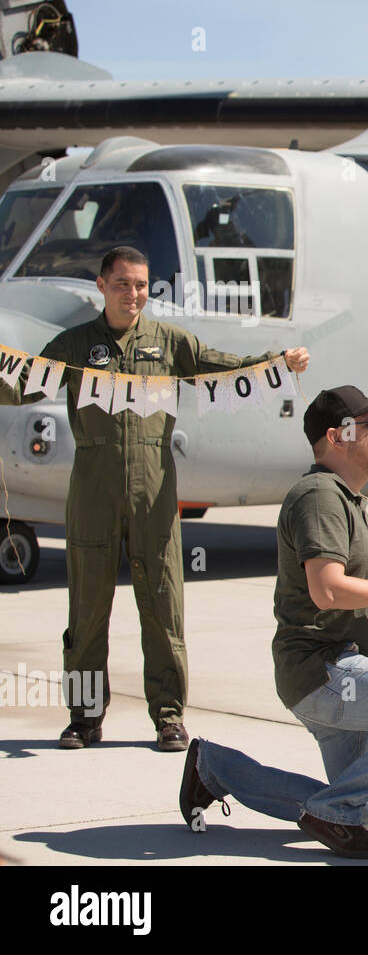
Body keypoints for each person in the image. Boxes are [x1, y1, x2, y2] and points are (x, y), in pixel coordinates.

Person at [0, 246, 309, 752]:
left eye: (141, 284)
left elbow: (220, 366)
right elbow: (21, 384)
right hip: (92, 488)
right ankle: (84, 719)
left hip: (155, 487)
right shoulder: (77, 345)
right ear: (102, 285)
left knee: (164, 606)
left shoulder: (169, 342)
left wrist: (276, 362)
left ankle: (168, 717)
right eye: (122, 283)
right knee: (87, 611)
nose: (133, 293)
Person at [179, 386, 368, 859]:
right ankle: (330, 812)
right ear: (338, 436)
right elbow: (328, 590)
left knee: (363, 812)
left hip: (340, 671)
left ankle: (215, 768)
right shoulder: (319, 496)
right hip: (326, 671)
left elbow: (349, 600)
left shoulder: (347, 499)